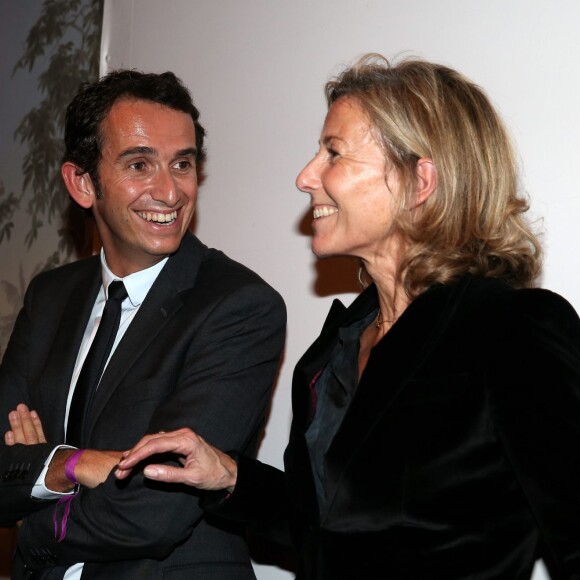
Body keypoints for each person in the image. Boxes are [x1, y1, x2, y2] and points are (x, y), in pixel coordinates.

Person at [116, 54, 580, 579]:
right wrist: (227, 476)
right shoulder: (335, 348)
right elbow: (325, 530)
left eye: (333, 153)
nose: (305, 177)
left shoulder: (511, 330)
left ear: (418, 180)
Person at [0, 69, 286, 579]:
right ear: (83, 183)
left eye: (183, 164)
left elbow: (155, 509)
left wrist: (36, 514)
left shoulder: (238, 305)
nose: (170, 191)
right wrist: (76, 463)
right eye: (139, 164)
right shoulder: (50, 296)